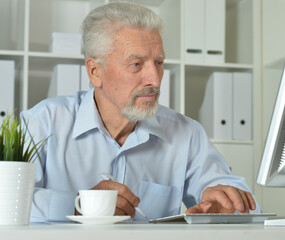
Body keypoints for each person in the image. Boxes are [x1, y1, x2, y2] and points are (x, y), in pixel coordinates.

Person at [21, 2, 261, 222]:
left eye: (158, 62)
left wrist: (229, 207)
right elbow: (7, 201)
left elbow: (247, 206)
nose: (155, 80)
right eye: (136, 64)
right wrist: (76, 205)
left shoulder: (187, 134)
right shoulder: (42, 123)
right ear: (95, 71)